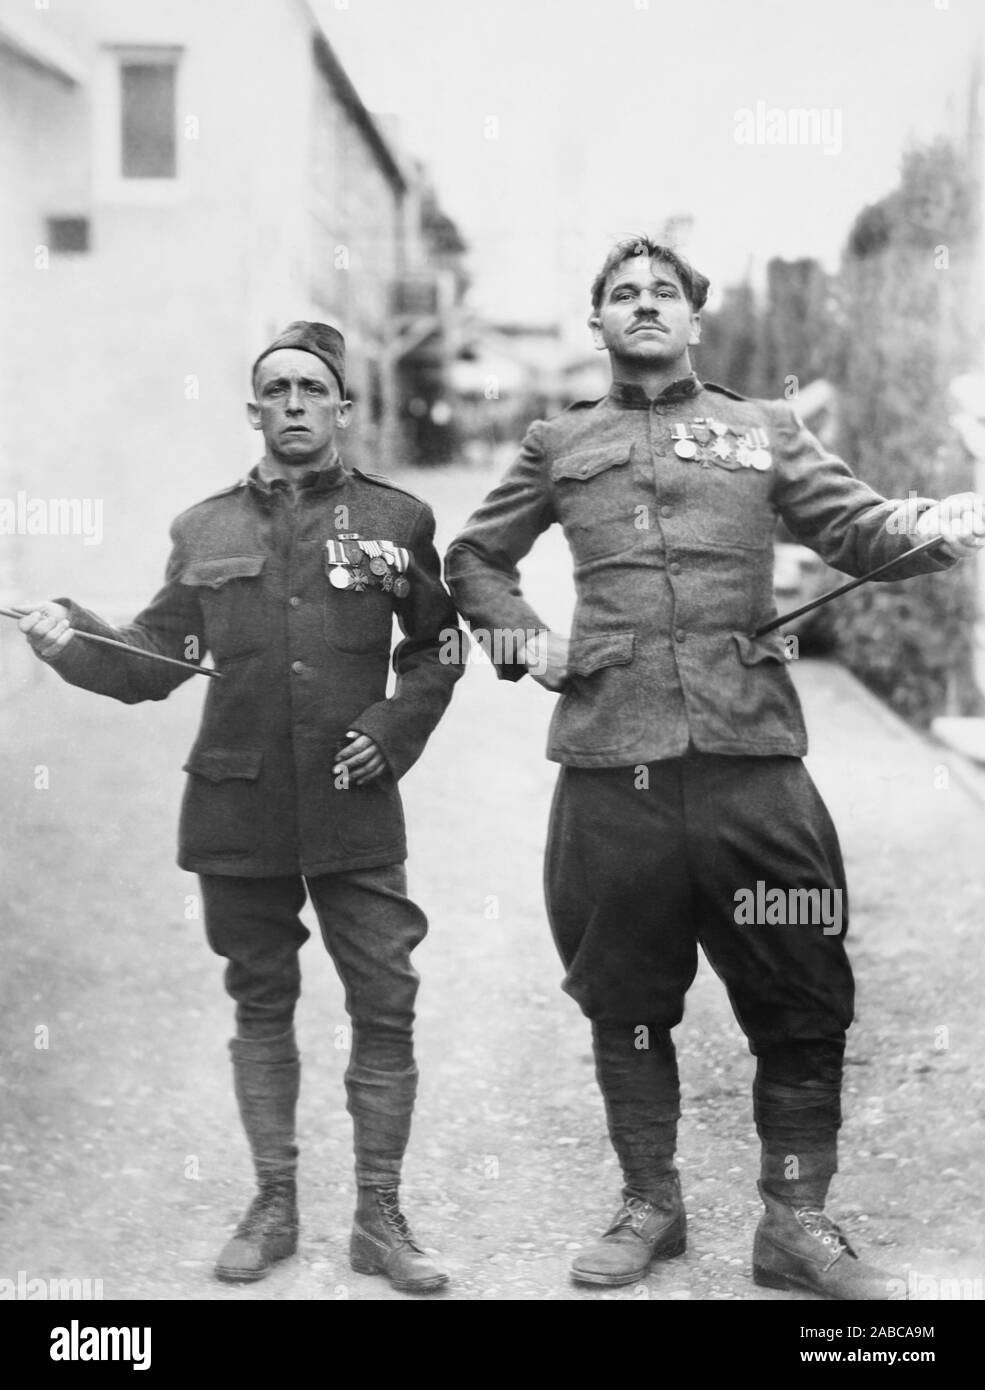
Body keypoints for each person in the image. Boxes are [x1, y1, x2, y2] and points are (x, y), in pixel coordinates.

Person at [444, 238, 985, 1300]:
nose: (642, 305)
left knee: (801, 991)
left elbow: (861, 528)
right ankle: (651, 1200)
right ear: (594, 323)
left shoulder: (764, 429)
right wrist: (521, 640)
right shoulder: (560, 440)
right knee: (625, 994)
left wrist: (938, 524)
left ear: (695, 317)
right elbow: (473, 557)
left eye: (662, 293)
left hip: (751, 755)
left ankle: (794, 1222)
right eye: (619, 295)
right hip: (611, 761)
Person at [19, 321, 466, 1294]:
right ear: (254, 409)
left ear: (343, 407)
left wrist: (391, 733)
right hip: (238, 809)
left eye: (314, 388)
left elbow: (439, 645)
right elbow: (151, 662)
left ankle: (380, 1216)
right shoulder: (204, 529)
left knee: (384, 1002)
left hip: (355, 805)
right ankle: (273, 1202)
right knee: (260, 1005)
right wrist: (68, 639)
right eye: (278, 389)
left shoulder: (398, 519)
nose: (297, 403)